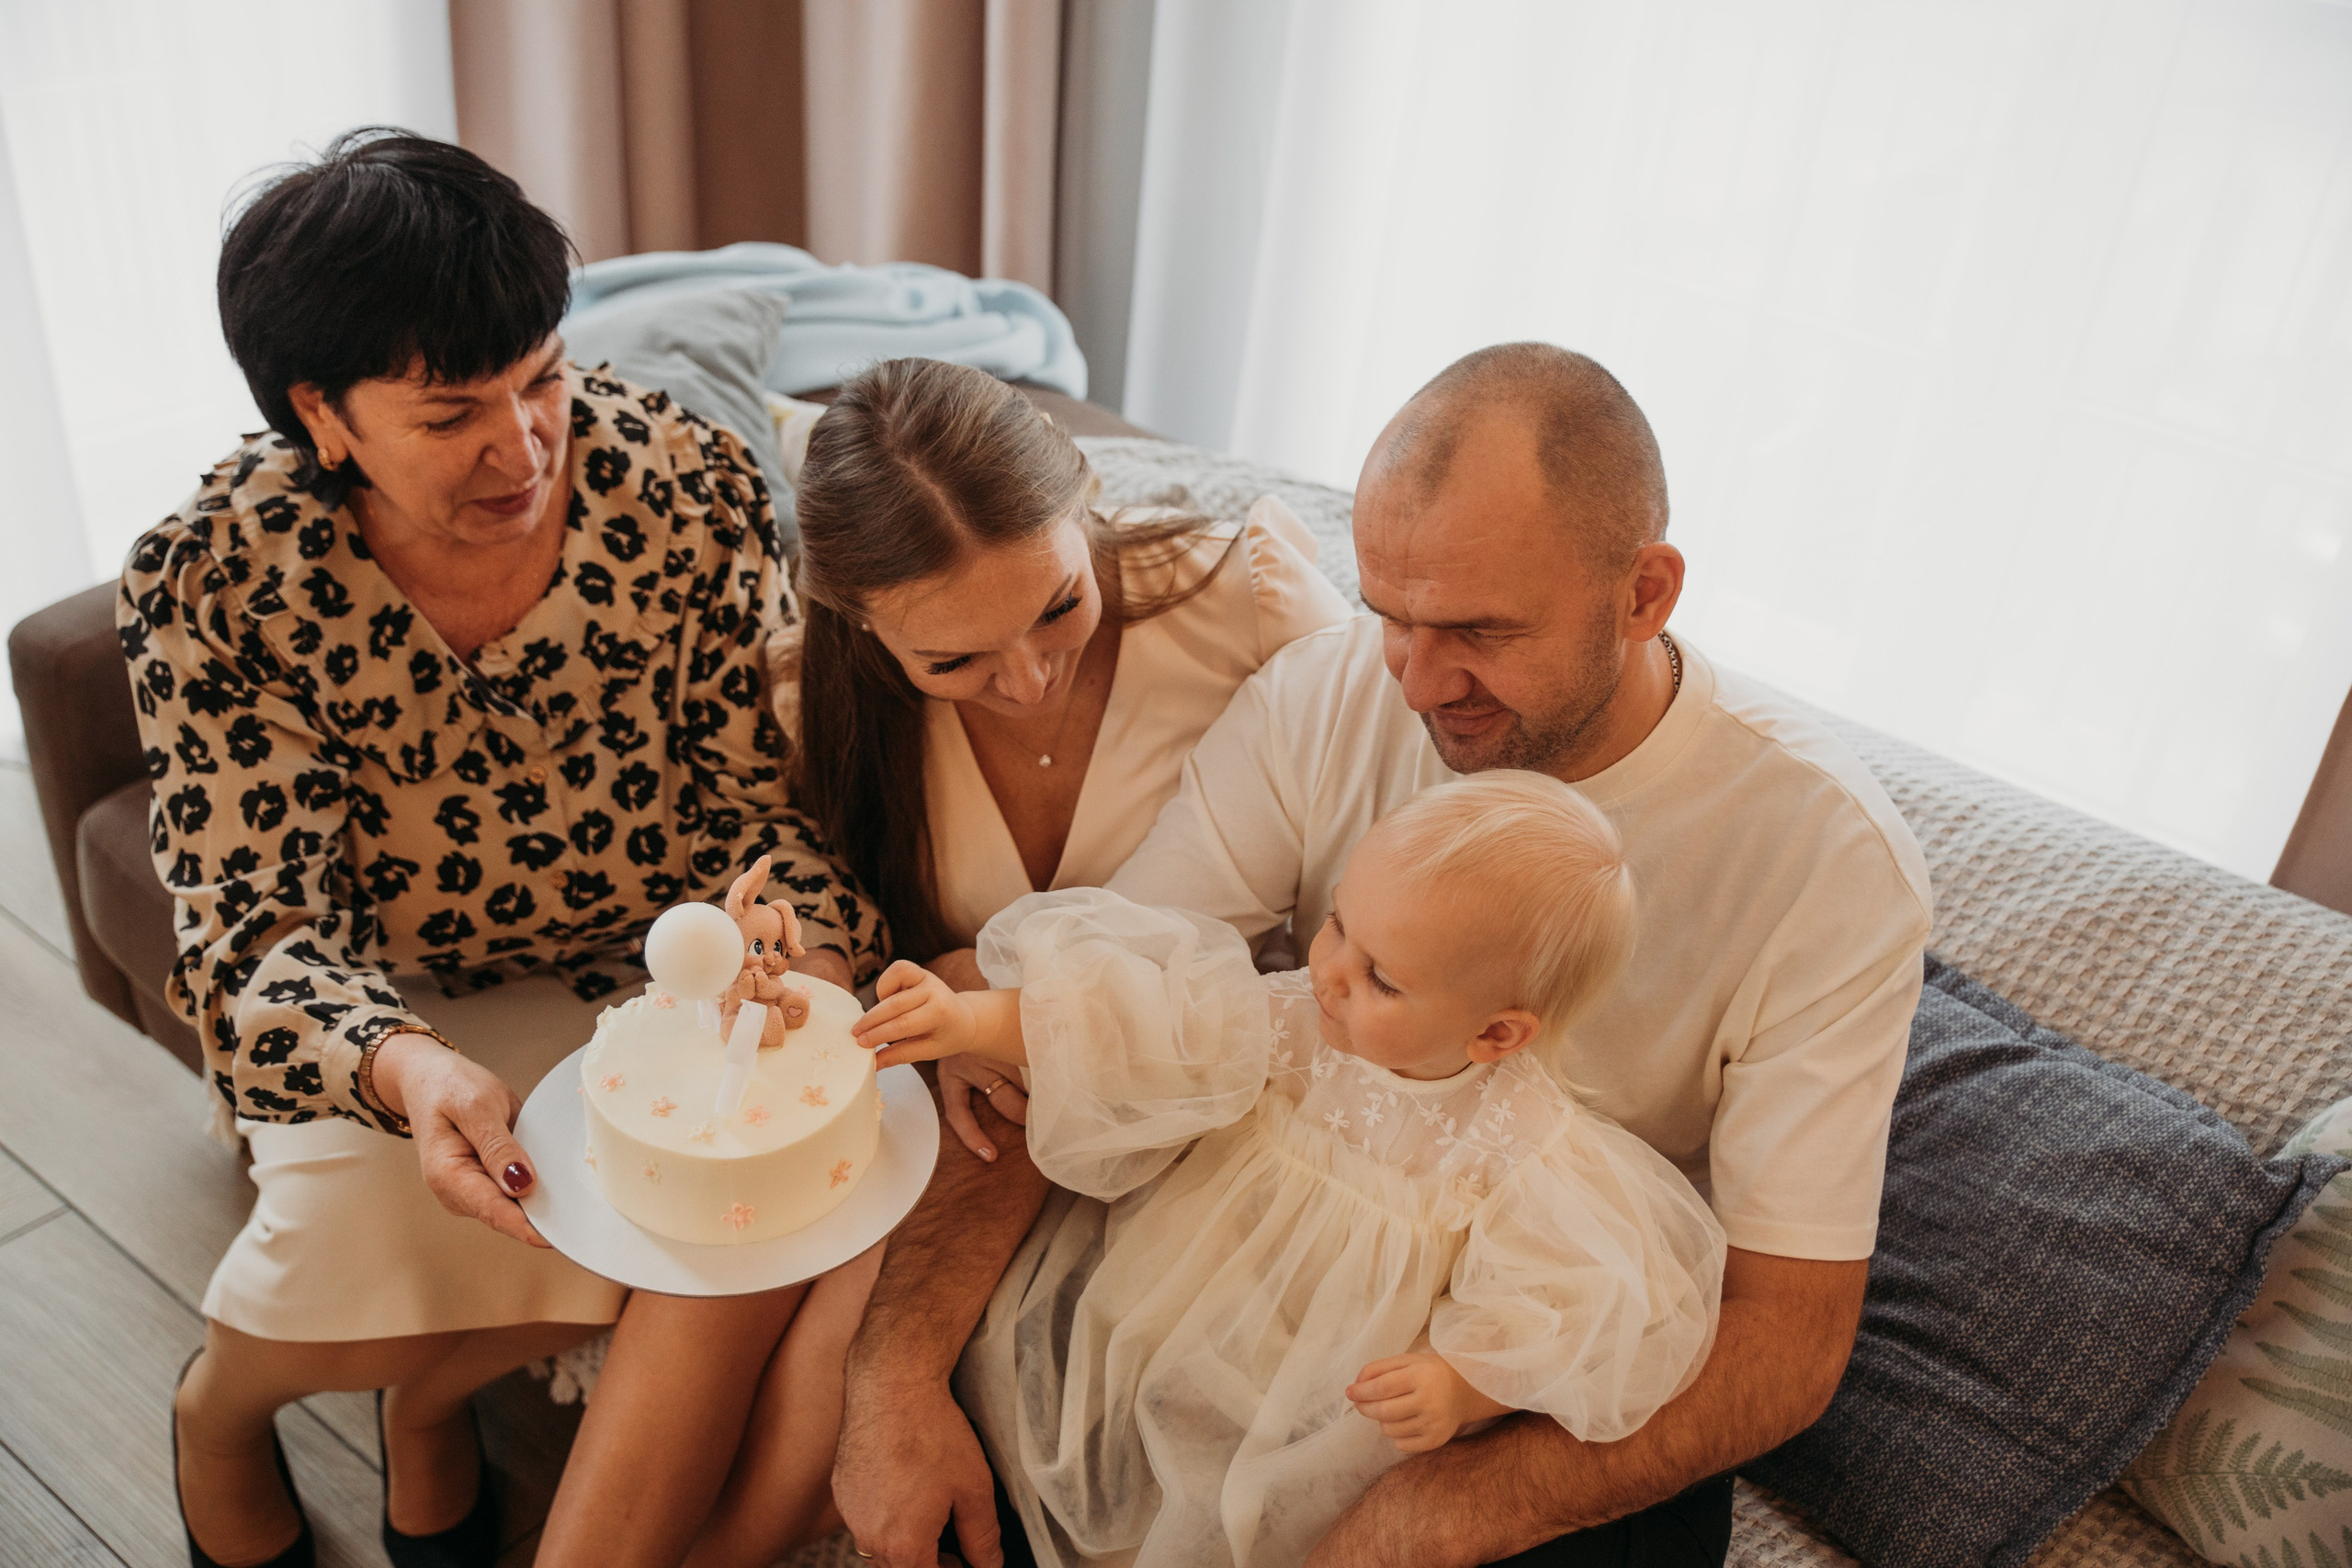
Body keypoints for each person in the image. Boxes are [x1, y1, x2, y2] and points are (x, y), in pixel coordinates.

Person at [832, 343, 1934, 1567]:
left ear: (1644, 593)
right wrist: (893, 1372)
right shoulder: (1327, 694)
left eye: (1475, 629)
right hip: (1263, 1291)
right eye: (1389, 614)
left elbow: (1787, 1334)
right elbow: (1102, 1014)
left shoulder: (1826, 861)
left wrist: (1417, 1520)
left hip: (1521, 1362)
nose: (1412, 679)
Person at [124, 130, 883, 1568]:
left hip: (640, 998)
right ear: (321, 414)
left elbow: (776, 810)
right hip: (383, 1014)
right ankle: (220, 1409)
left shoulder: (686, 487)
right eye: (452, 411)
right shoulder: (215, 579)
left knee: (668, 1218)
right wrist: (409, 1068)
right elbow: (247, 932)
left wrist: (793, 943)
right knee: (324, 1268)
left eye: (543, 374)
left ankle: (428, 1409)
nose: (526, 444)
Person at [532, 356, 1354, 1566]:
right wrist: (812, 960)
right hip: (966, 1077)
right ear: (866, 625)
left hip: (1174, 1071)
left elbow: (1374, 881)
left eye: (1058, 608)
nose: (1026, 679)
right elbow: (839, 933)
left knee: (850, 1282)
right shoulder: (820, 702)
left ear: (1083, 503)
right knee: (746, 1231)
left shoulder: (1251, 598)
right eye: (956, 661)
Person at [854, 773, 1726, 1568]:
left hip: (1327, 1388)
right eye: (1340, 921)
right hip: (1178, 1304)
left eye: (1381, 977)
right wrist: (970, 1020)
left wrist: (1462, 1384)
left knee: (1262, 1515)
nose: (1331, 972)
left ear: (1495, 1033)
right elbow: (1140, 1024)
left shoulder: (1516, 1141)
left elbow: (1552, 1302)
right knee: (1098, 1426)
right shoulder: (1289, 1023)